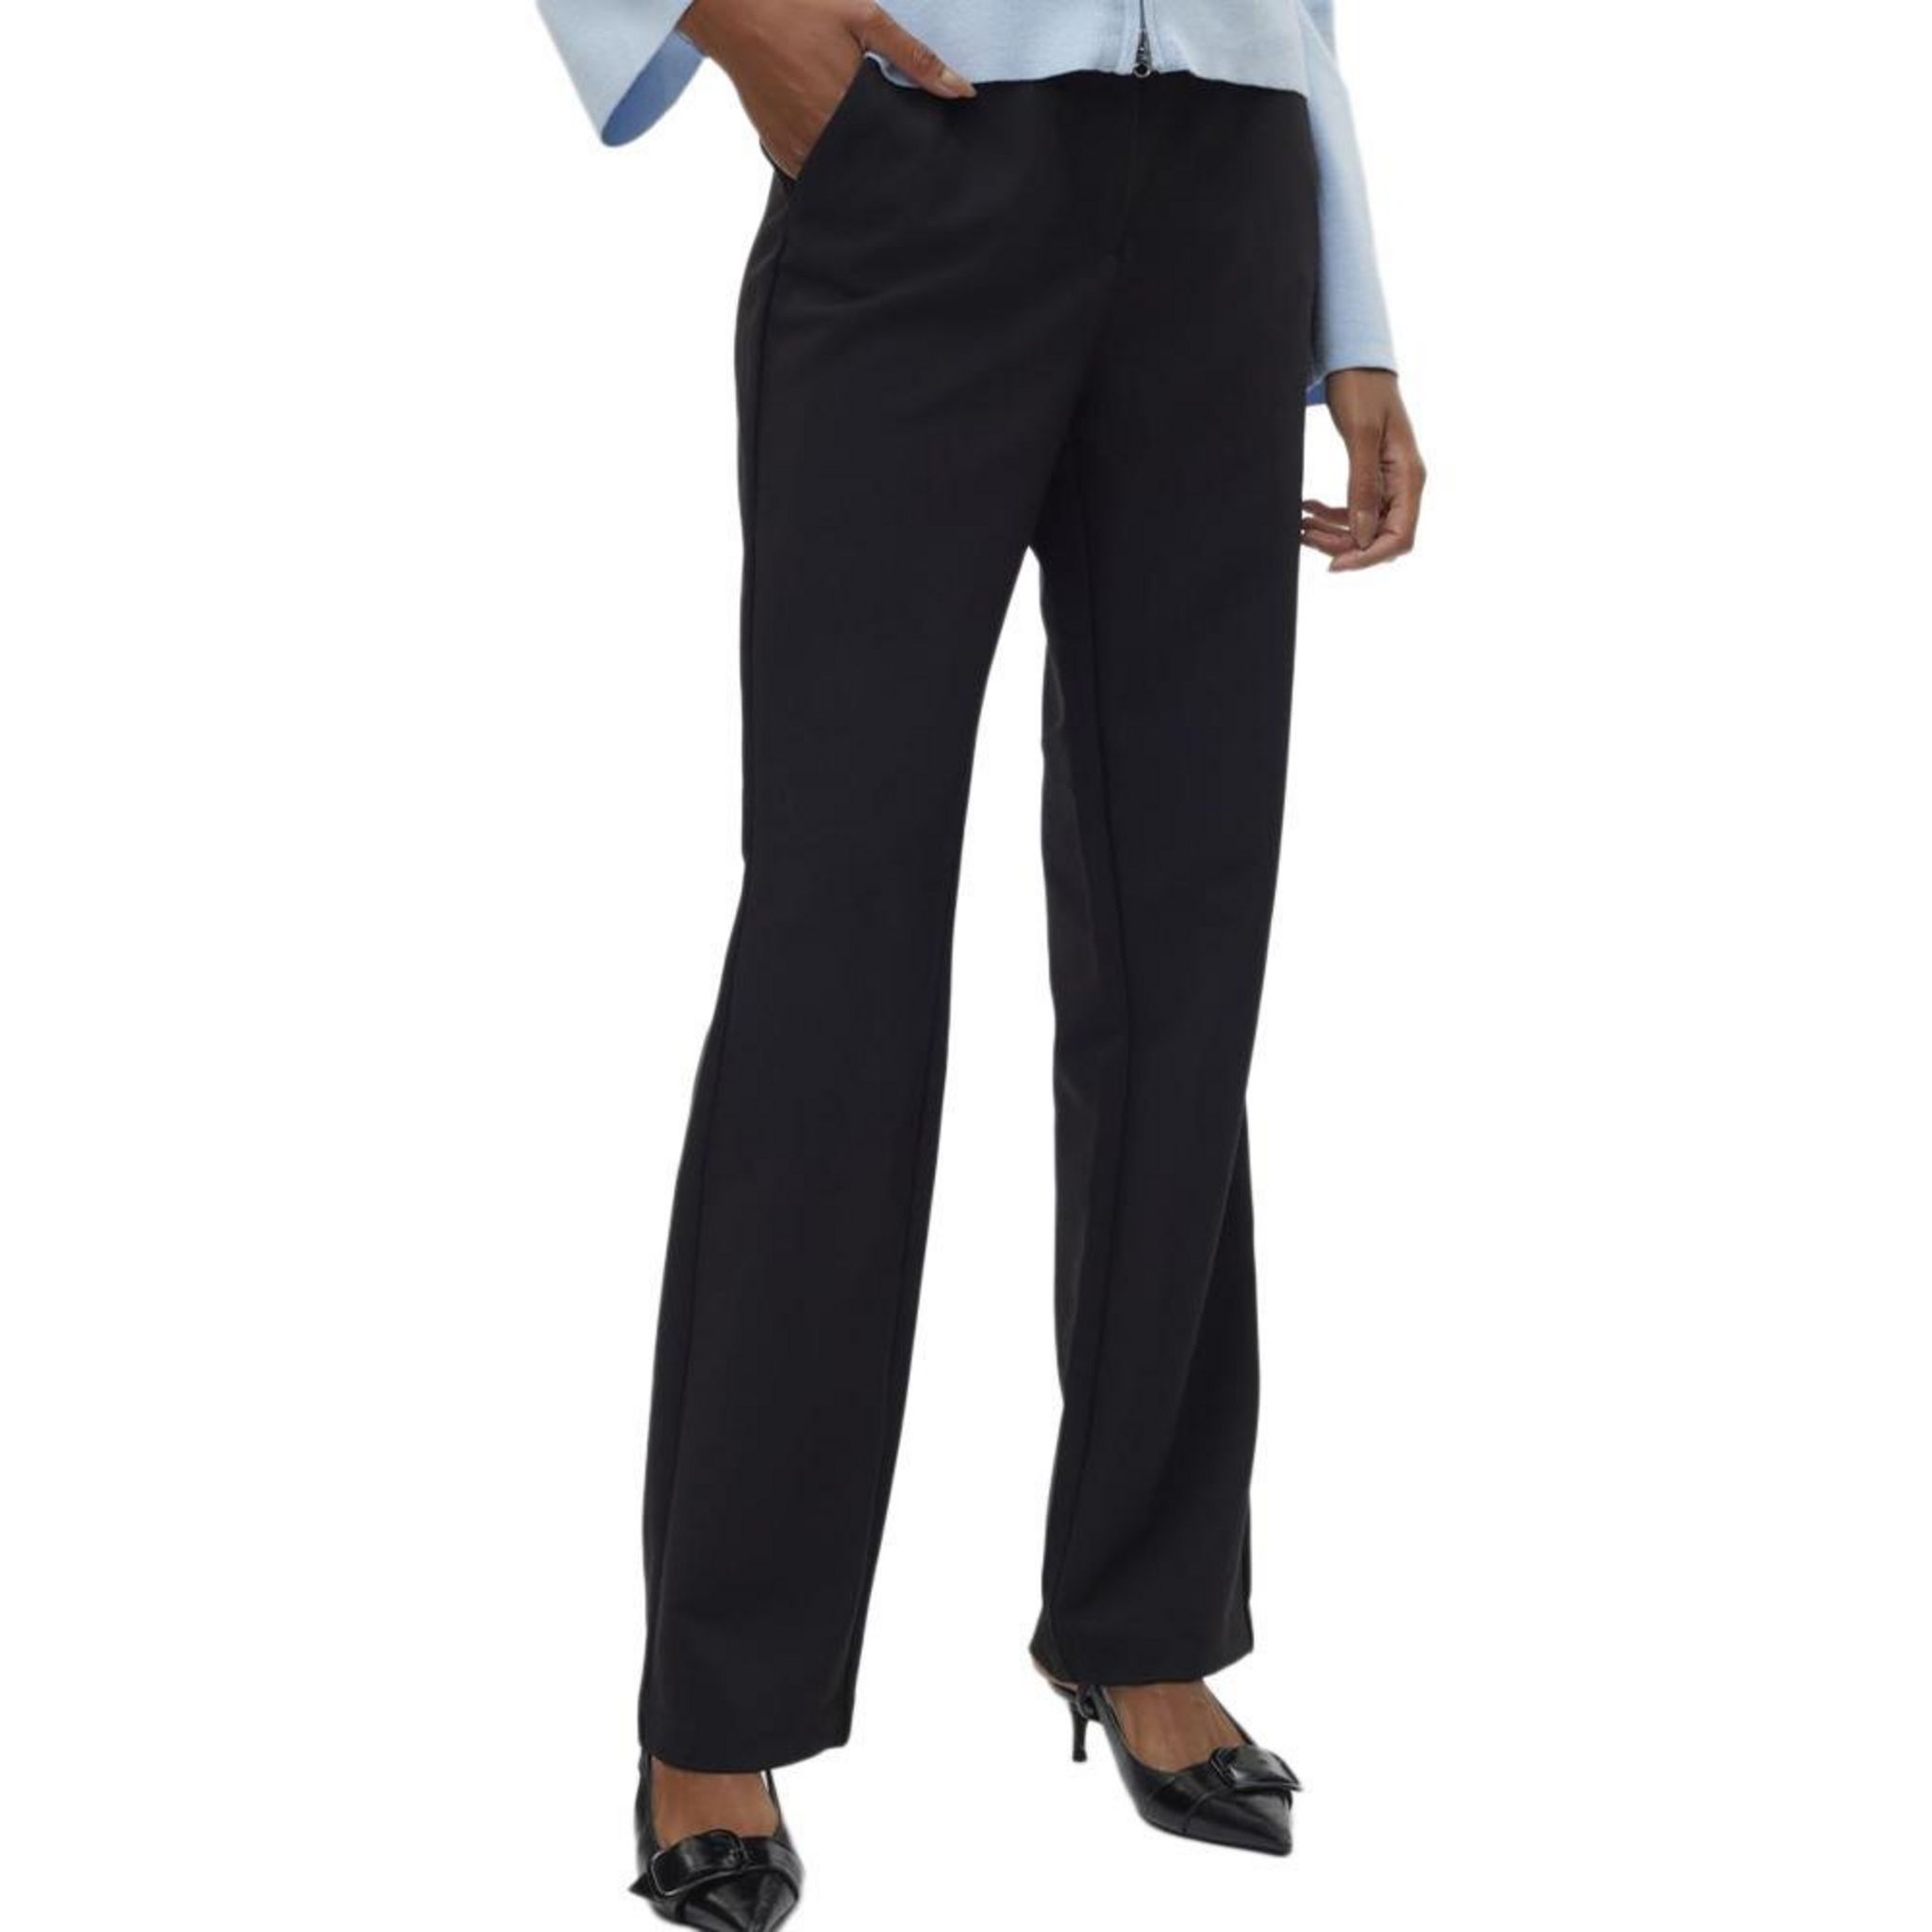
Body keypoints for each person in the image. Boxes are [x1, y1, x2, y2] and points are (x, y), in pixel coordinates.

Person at [536, 1, 1425, 1923]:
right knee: (835, 956)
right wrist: (728, 21)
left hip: (1228, 191)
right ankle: (719, 1701)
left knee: (1186, 950)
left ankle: (1143, 1615)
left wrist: (1348, 313)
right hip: (924, 157)